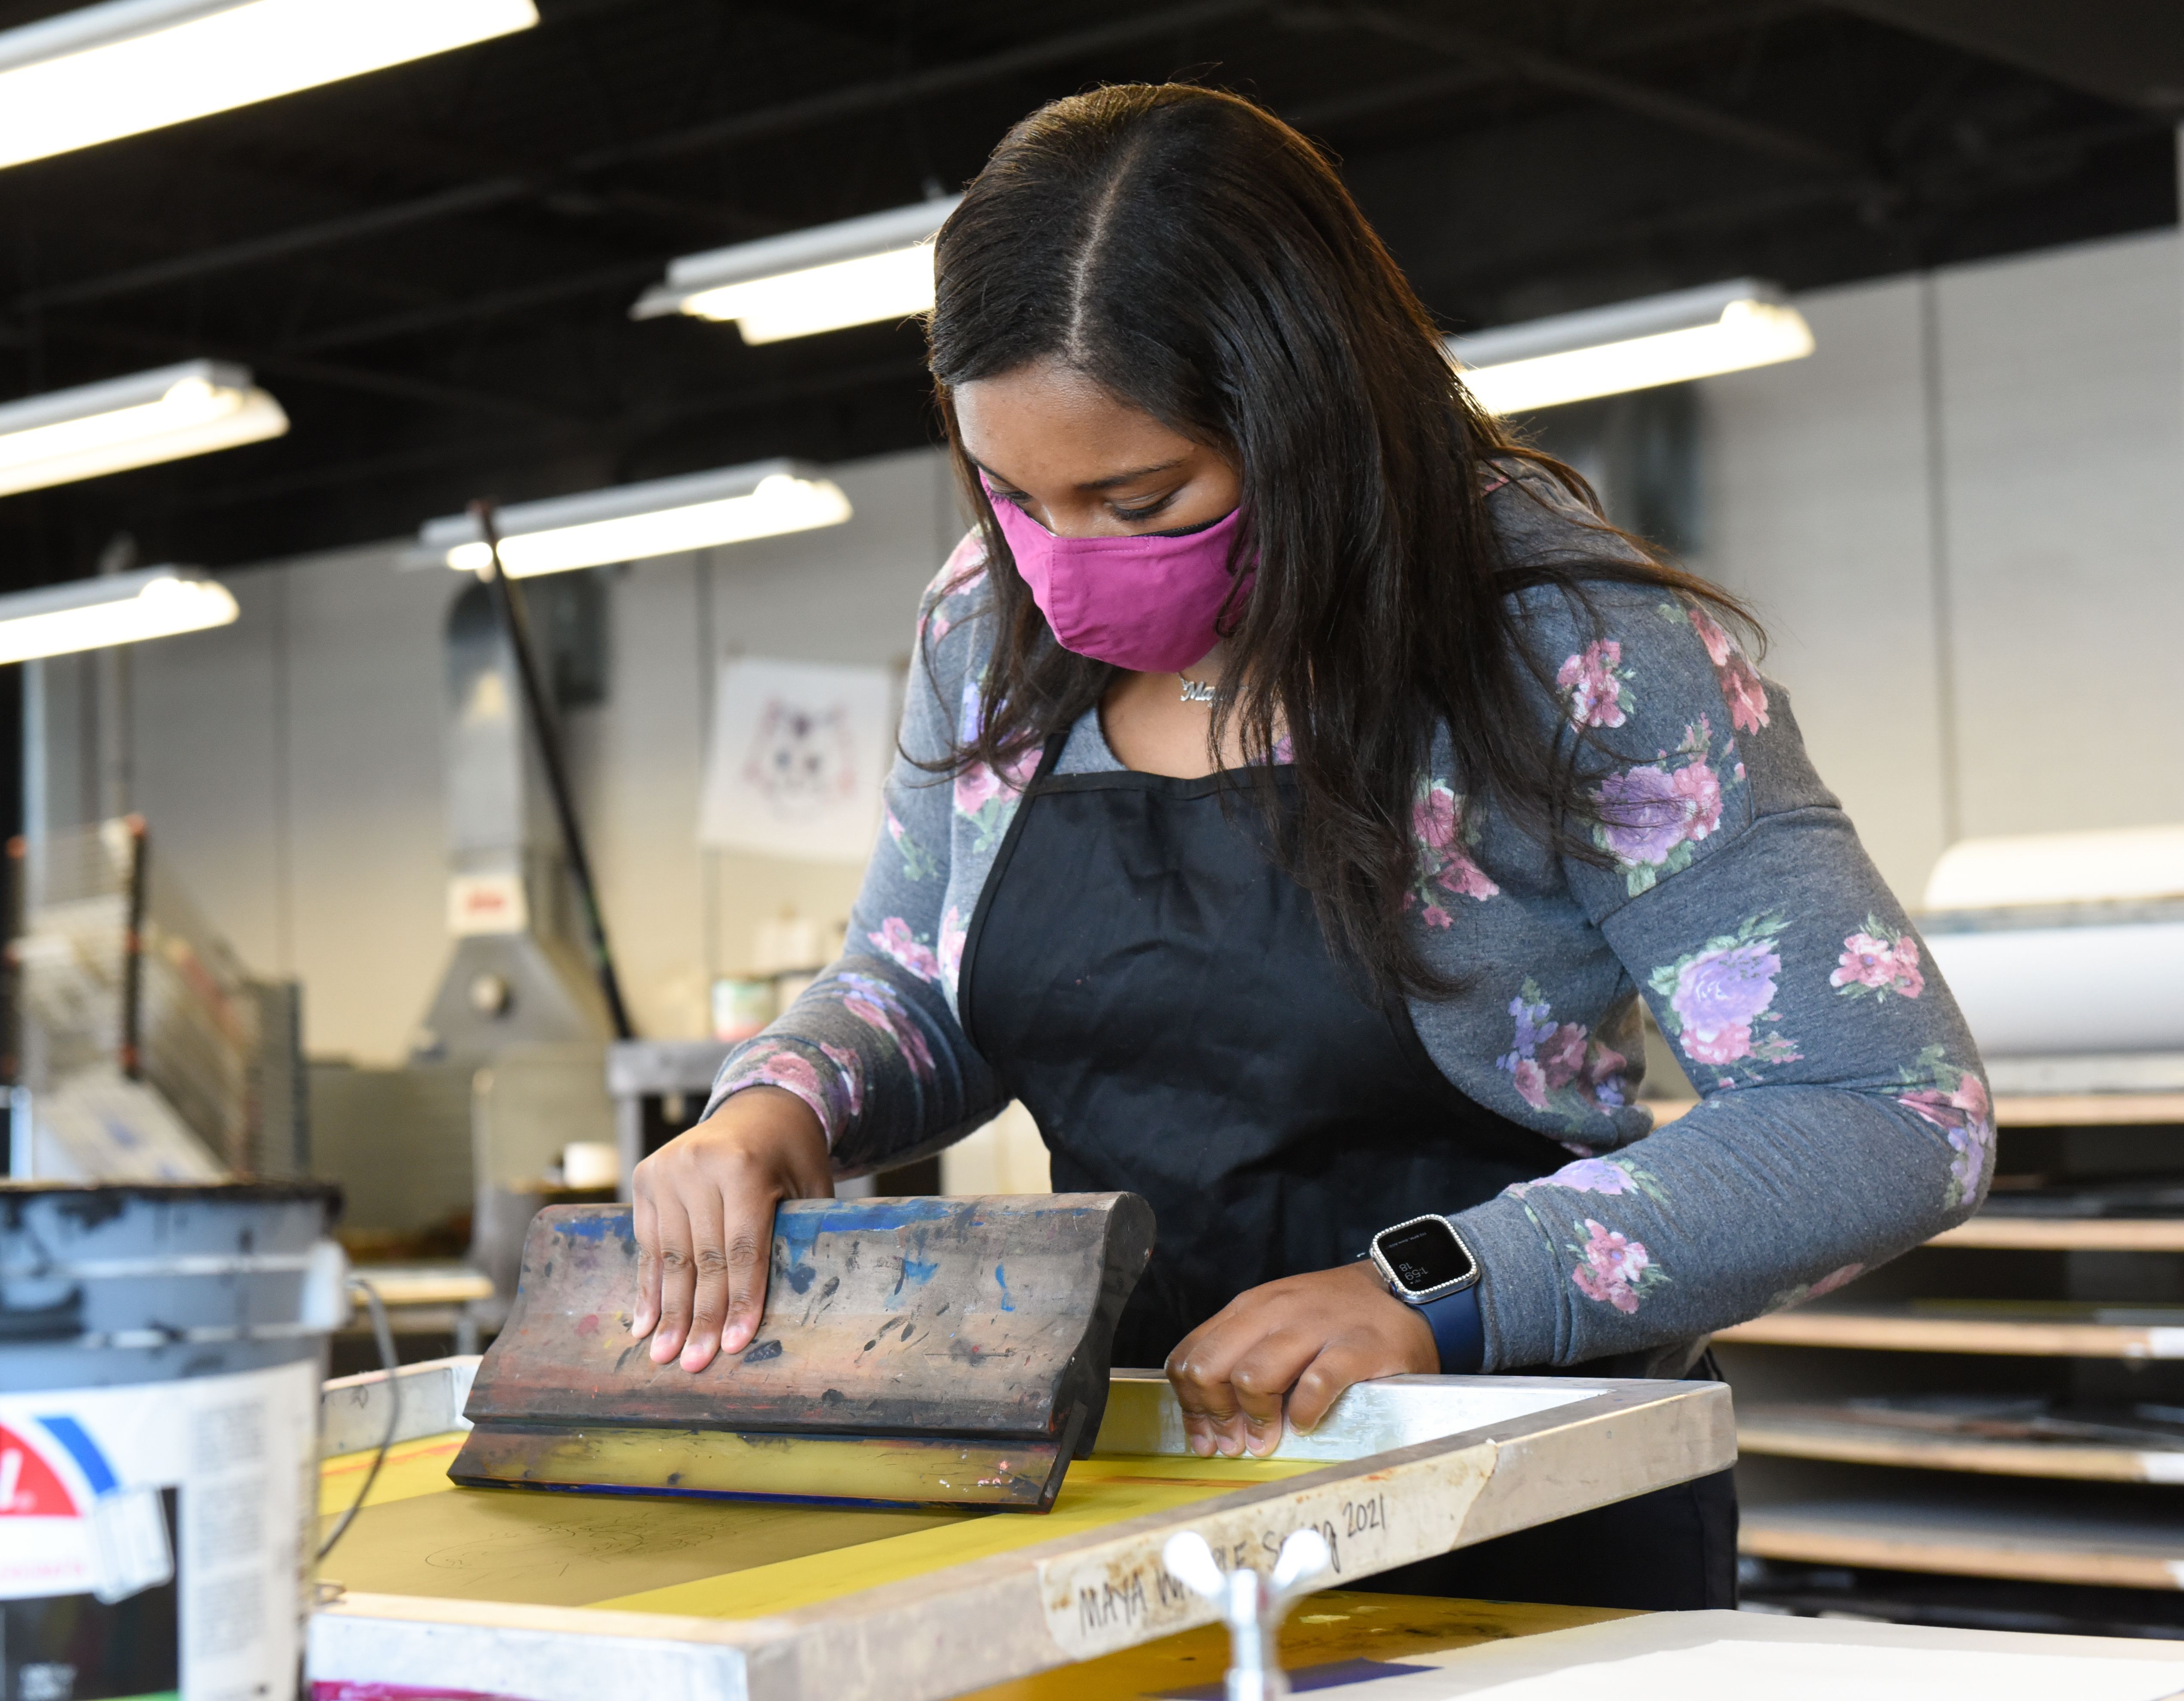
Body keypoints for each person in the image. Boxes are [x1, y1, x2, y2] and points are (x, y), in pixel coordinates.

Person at [628, 84, 1990, 1611]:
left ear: (1307, 415)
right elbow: (923, 974)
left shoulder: (1568, 645)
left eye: (1139, 501)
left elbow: (1884, 1109)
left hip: (1507, 1496)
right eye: (1014, 498)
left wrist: (1438, 1292)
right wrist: (778, 1102)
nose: (1065, 568)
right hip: (1133, 1490)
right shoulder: (985, 621)